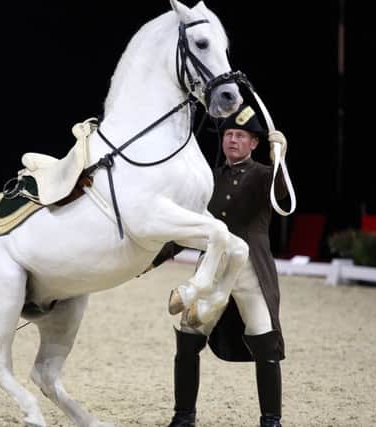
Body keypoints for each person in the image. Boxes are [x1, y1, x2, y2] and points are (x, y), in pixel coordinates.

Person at [152, 103, 289, 427]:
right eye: (228, 134)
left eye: (240, 135)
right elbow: (194, 223)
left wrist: (280, 156)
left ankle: (271, 420)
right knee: (187, 341)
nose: (232, 140)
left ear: (253, 143)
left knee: (264, 344)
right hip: (211, 269)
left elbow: (282, 192)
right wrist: (156, 255)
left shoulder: (262, 175)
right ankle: (183, 416)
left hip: (250, 272)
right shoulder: (210, 179)